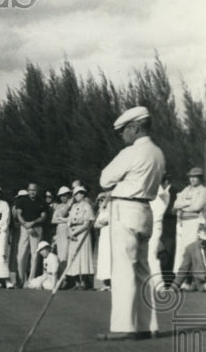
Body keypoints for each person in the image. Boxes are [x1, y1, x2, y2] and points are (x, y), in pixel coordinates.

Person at [98, 105, 166, 340]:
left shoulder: (130, 153)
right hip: (146, 209)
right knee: (143, 270)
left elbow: (105, 178)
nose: (122, 135)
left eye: (124, 130)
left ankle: (124, 327)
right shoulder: (158, 153)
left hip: (125, 210)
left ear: (135, 127)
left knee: (123, 269)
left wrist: (115, 187)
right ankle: (148, 326)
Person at [172, 167, 206, 253]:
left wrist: (182, 207)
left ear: (200, 178)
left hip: (195, 221)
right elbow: (176, 204)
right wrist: (188, 203)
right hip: (182, 222)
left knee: (192, 246)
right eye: (190, 177)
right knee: (181, 249)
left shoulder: (204, 190)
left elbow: (197, 207)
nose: (192, 179)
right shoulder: (187, 189)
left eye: (195, 177)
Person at [14, 183, 47, 287]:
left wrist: (32, 223)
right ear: (28, 190)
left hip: (37, 229)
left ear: (37, 191)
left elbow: (43, 217)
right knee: (21, 255)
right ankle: (20, 279)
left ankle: (30, 280)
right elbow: (19, 215)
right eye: (30, 190)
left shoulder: (42, 202)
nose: (32, 192)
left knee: (35, 255)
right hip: (25, 228)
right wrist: (27, 226)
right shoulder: (22, 201)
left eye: (34, 190)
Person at [64, 184, 95, 289]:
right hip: (73, 233)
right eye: (76, 193)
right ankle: (76, 282)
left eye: (80, 193)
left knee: (83, 256)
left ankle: (84, 282)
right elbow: (69, 221)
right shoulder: (73, 206)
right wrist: (70, 232)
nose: (78, 195)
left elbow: (87, 224)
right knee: (74, 257)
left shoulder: (87, 206)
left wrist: (75, 232)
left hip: (82, 233)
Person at [93, 192, 112, 291]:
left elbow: (110, 220)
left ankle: (112, 284)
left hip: (110, 236)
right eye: (99, 200)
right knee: (103, 259)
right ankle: (106, 284)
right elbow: (96, 224)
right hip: (103, 236)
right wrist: (102, 222)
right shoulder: (101, 212)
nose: (101, 202)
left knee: (110, 258)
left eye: (103, 199)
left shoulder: (111, 210)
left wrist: (103, 222)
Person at [50, 186, 72, 263]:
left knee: (66, 253)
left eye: (65, 195)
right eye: (61, 195)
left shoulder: (72, 206)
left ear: (69, 195)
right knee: (60, 252)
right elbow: (53, 220)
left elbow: (71, 219)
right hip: (59, 231)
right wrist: (64, 220)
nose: (63, 197)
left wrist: (61, 219)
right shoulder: (59, 206)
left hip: (67, 230)